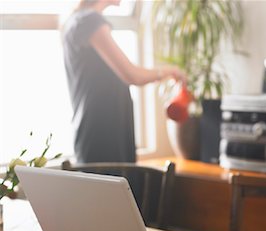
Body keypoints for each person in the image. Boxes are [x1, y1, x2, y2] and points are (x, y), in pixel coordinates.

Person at [62, 0, 186, 163]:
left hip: (96, 131)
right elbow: (132, 75)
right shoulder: (90, 21)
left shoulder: (77, 19)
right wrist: (169, 71)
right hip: (103, 133)